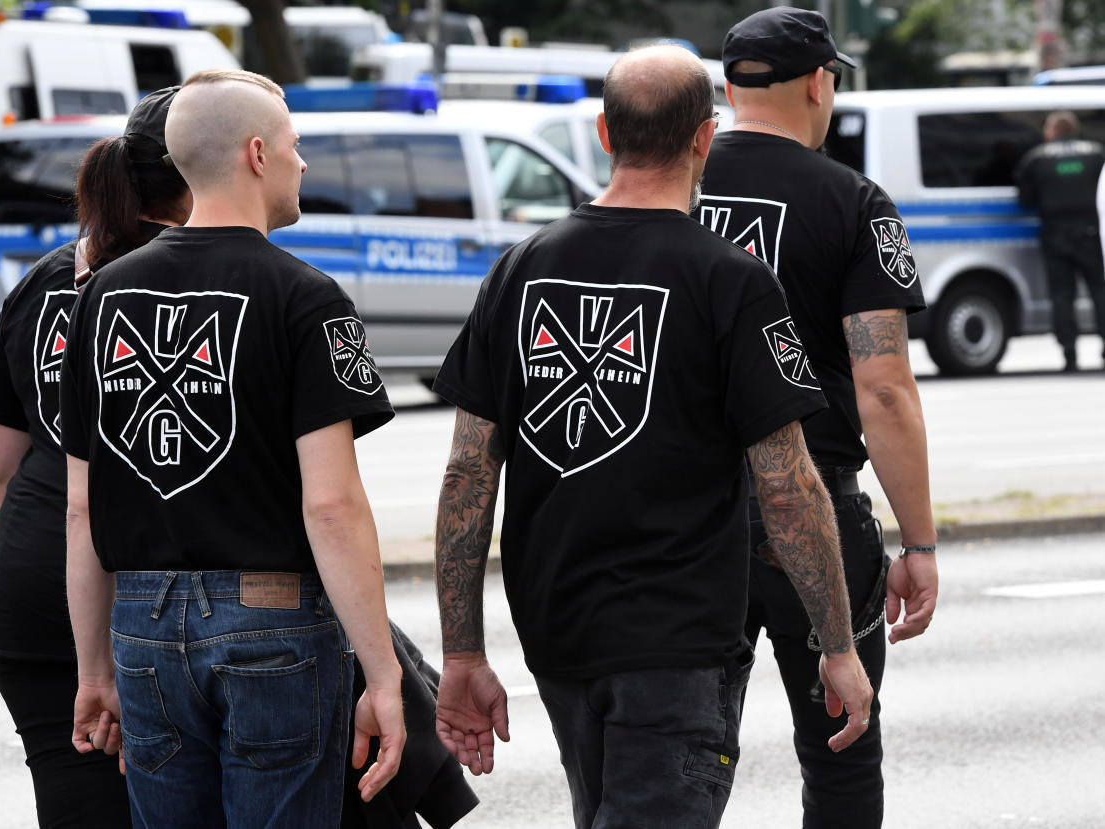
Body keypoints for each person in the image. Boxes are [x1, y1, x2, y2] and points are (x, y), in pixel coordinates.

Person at [430, 44, 874, 829]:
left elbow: (469, 473)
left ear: (604, 132)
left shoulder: (520, 268)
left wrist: (462, 653)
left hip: (557, 626)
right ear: (705, 139)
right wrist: (835, 644)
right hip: (678, 639)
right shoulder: (729, 279)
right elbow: (788, 483)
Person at [59, 69, 406, 827]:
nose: (302, 162)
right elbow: (332, 503)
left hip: (142, 624)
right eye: (294, 145)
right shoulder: (306, 297)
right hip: (274, 621)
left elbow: (82, 505)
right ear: (257, 153)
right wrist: (384, 675)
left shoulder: (101, 296)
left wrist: (92, 665)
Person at [696, 7, 940, 828]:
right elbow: (885, 391)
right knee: (841, 746)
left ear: (729, 89)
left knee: (680, 757)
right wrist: (920, 541)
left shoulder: (667, 183)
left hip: (685, 519)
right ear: (820, 81)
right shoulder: (852, 201)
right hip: (818, 510)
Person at [0, 85, 188, 828]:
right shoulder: (197, 279)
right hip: (152, 595)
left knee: (71, 790)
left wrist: (45, 557)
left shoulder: (48, 276)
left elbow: (0, 463)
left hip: (29, 577)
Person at [1015, 110, 1105, 371]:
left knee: (1062, 295)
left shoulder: (1036, 158)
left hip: (1056, 234)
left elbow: (1025, 199)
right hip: (1091, 232)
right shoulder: (1096, 154)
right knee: (1100, 290)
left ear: (1052, 131)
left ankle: (1069, 354)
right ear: (1073, 129)